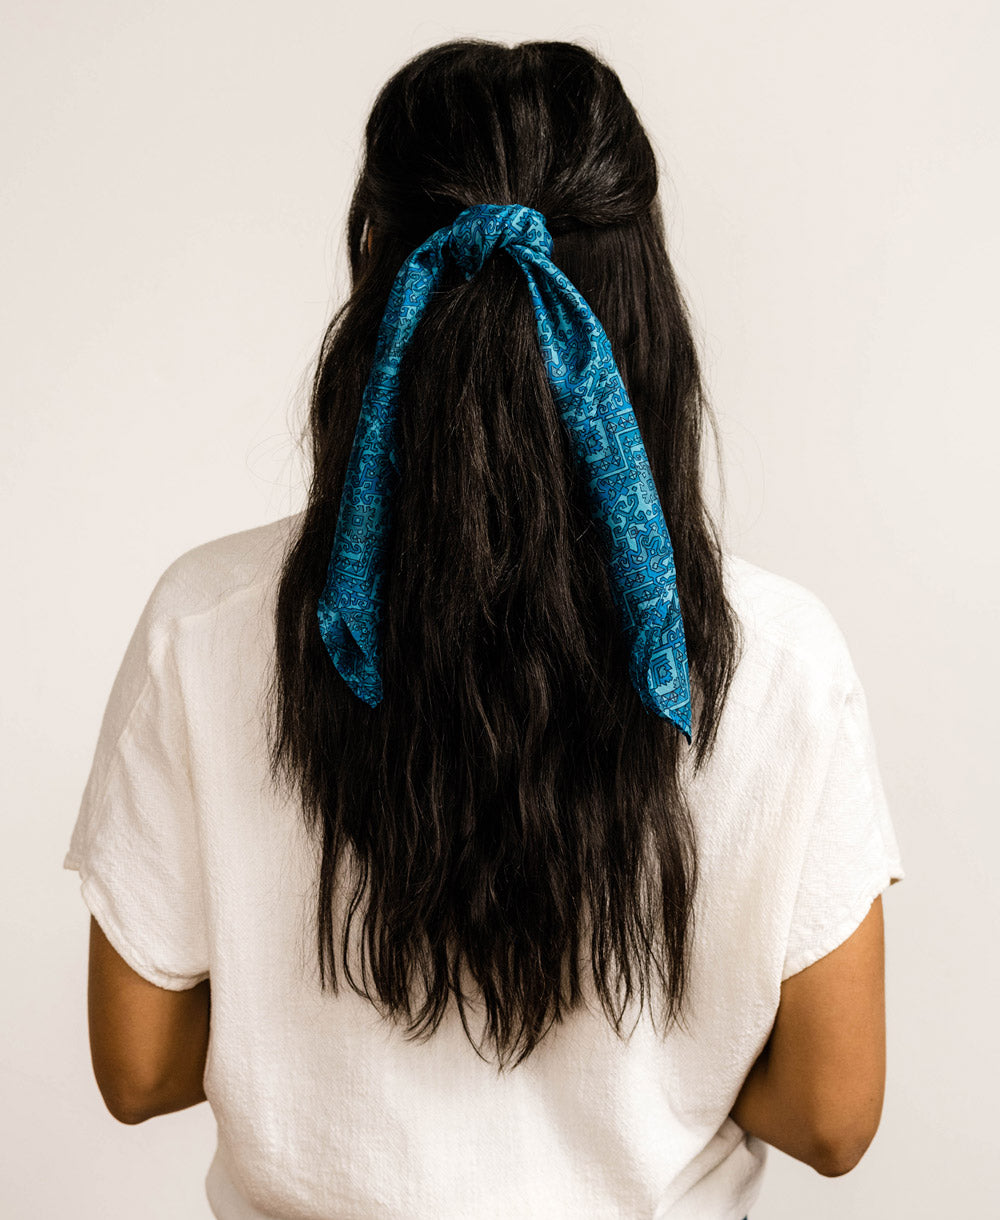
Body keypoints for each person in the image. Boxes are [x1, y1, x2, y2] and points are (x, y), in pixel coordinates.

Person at [64, 37, 905, 1220]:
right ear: (641, 295)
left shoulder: (207, 624)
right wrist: (662, 1078)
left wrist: (297, 1020)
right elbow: (830, 1108)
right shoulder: (779, 660)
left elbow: (140, 1065)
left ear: (374, 269)